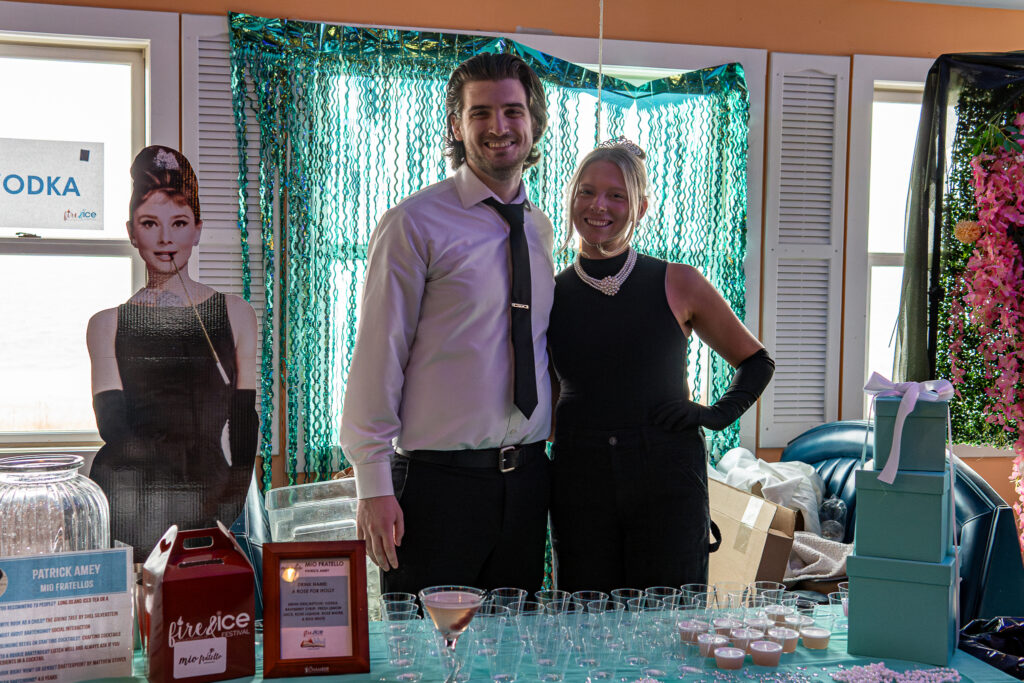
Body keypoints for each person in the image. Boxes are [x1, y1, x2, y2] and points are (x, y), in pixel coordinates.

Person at [339, 53, 555, 596]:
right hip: (437, 488)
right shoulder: (413, 222)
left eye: (513, 111)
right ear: (457, 126)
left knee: (517, 644)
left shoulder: (541, 229)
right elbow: (379, 353)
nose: (499, 126)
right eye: (480, 113)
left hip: (528, 484)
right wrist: (373, 484)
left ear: (534, 122)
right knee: (425, 647)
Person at [547, 138, 775, 592]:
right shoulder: (549, 292)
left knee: (670, 618)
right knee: (583, 618)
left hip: (667, 477)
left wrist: (716, 414)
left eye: (617, 195)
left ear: (641, 207)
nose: (598, 205)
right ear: (571, 199)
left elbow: (756, 361)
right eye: (587, 191)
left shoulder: (678, 281)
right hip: (579, 478)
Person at [86, 145, 259, 563]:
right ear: (132, 232)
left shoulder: (236, 313)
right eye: (150, 223)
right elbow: (114, 429)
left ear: (197, 229)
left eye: (179, 223)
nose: (165, 239)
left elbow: (244, 420)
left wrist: (231, 498)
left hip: (212, 500)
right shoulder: (105, 324)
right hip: (130, 504)